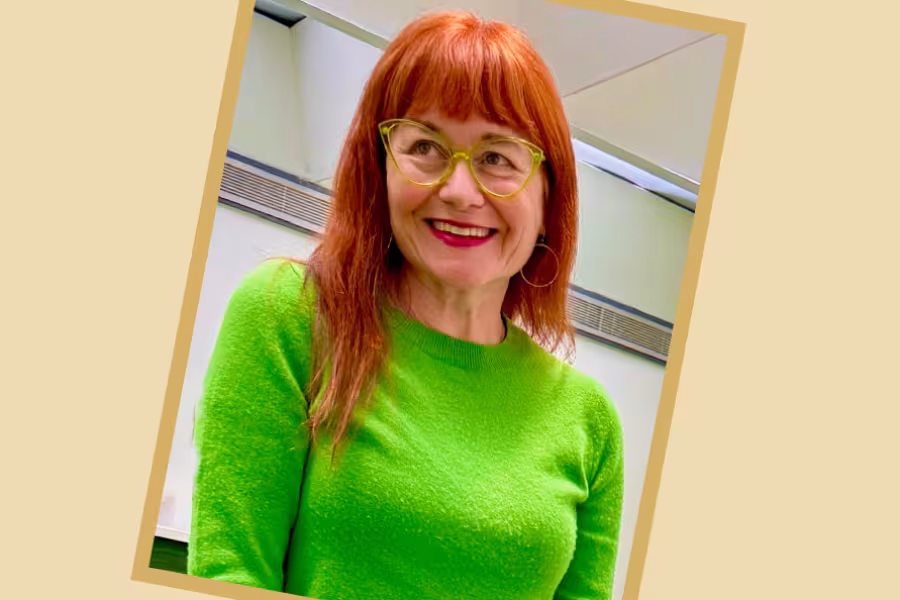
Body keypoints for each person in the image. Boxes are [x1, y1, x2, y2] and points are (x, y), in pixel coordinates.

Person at [187, 10, 624, 600]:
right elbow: (229, 575)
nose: (461, 192)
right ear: (381, 171)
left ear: (550, 196)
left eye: (499, 157)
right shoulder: (289, 314)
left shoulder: (588, 419)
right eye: (425, 147)